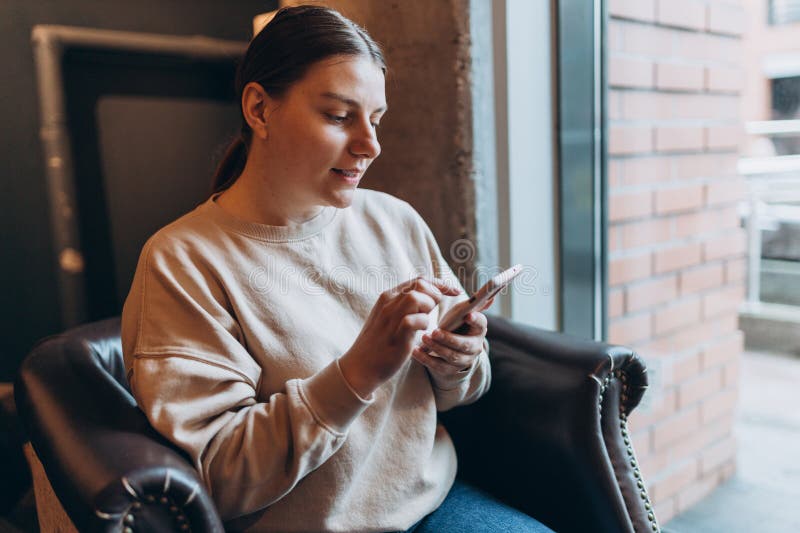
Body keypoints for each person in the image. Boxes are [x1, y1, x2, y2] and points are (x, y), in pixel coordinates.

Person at [121, 5, 552, 532]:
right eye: (338, 116)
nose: (370, 146)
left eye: (375, 119)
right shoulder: (181, 262)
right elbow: (222, 475)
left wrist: (457, 362)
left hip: (437, 505)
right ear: (259, 109)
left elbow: (465, 389)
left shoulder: (394, 220)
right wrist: (357, 372)